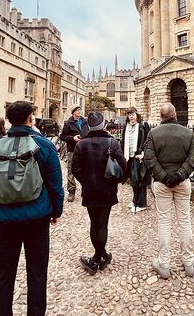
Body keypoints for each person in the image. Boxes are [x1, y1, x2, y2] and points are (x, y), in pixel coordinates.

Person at [0, 101, 64, 316]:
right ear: (31, 119)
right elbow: (55, 184)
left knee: (3, 274)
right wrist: (56, 211)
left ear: (8, 121)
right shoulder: (44, 145)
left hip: (4, 218)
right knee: (37, 272)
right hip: (37, 217)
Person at [143, 103, 194, 279]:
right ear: (175, 114)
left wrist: (164, 177)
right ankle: (188, 262)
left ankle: (164, 264)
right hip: (182, 183)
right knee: (185, 221)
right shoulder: (188, 133)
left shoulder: (153, 134)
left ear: (161, 116)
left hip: (162, 184)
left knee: (164, 223)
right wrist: (179, 176)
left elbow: (149, 158)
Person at [72, 112, 127, 274]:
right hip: (107, 189)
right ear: (103, 125)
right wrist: (114, 181)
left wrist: (86, 181)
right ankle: (99, 257)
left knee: (94, 223)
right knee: (102, 223)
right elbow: (123, 166)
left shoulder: (81, 145)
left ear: (89, 126)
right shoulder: (112, 142)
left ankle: (98, 256)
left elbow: (75, 169)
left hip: (90, 189)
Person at [120, 107, 151, 212]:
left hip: (139, 157)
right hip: (129, 157)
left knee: (140, 180)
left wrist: (143, 153)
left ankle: (141, 203)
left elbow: (149, 141)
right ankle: (135, 200)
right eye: (129, 115)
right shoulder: (126, 126)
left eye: (132, 114)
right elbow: (123, 141)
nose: (131, 117)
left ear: (137, 115)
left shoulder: (143, 126)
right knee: (133, 180)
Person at [60, 105, 89, 202]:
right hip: (72, 150)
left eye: (80, 109)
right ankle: (71, 191)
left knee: (85, 170)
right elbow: (63, 136)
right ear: (73, 112)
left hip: (84, 149)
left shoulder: (85, 122)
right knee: (71, 170)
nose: (80, 111)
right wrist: (73, 138)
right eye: (77, 110)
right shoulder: (68, 123)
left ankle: (85, 190)